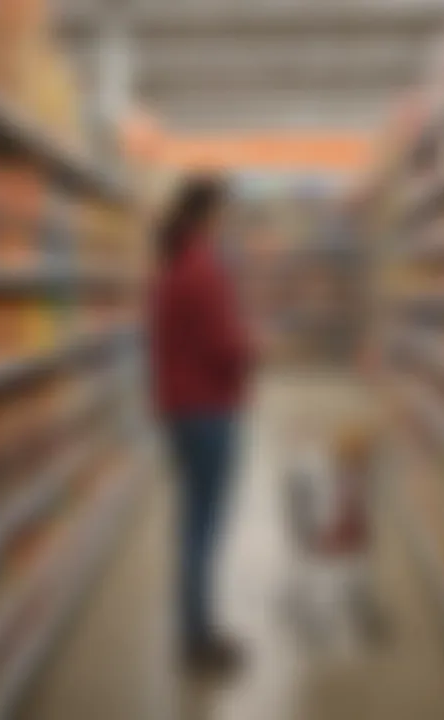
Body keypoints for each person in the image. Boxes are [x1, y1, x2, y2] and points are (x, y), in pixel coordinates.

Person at [149, 176, 252, 677]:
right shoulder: (204, 269)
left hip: (180, 410)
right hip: (208, 411)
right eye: (224, 213)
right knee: (202, 530)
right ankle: (198, 640)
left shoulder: (172, 265)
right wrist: (254, 350)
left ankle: (195, 630)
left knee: (192, 524)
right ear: (208, 214)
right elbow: (225, 349)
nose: (228, 223)